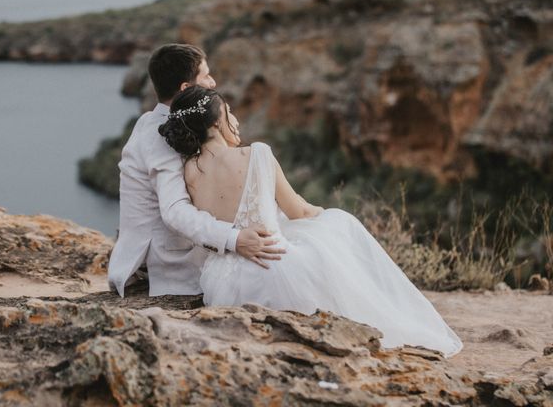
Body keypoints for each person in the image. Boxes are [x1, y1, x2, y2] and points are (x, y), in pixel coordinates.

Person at [158, 86, 463, 358]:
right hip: (274, 266)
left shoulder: (188, 172)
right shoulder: (257, 154)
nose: (233, 118)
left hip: (222, 283)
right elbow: (299, 212)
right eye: (228, 112)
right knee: (341, 222)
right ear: (216, 122)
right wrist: (323, 213)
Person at [107, 44, 285, 298]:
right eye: (206, 76)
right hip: (166, 267)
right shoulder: (160, 136)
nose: (213, 82)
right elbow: (174, 211)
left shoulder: (163, 121)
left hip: (181, 250)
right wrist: (234, 239)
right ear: (186, 89)